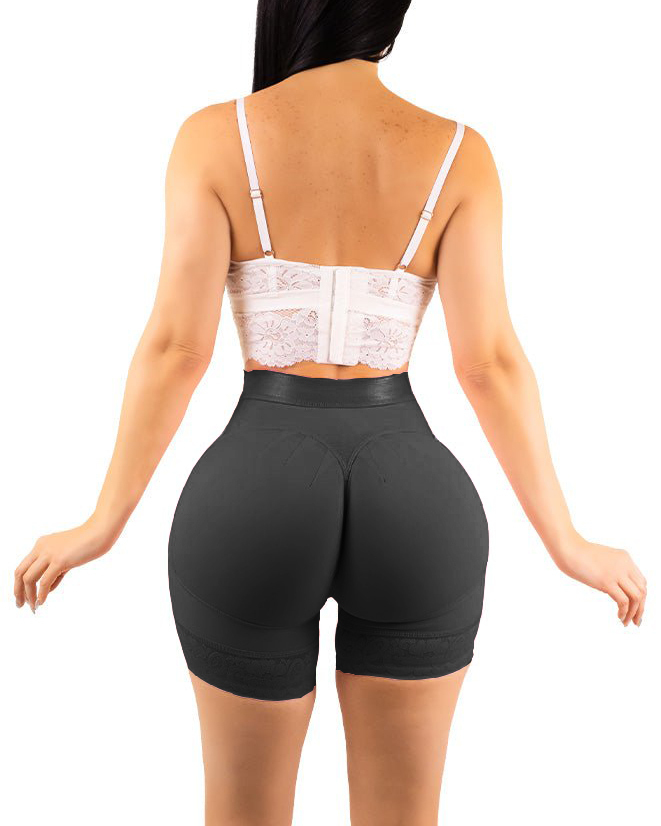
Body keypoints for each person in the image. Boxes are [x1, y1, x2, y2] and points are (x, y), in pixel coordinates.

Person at [14, 2, 647, 824]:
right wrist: (567, 541)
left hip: (253, 491)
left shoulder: (215, 137)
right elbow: (488, 364)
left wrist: (102, 522)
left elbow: (177, 349)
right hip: (414, 496)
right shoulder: (460, 153)